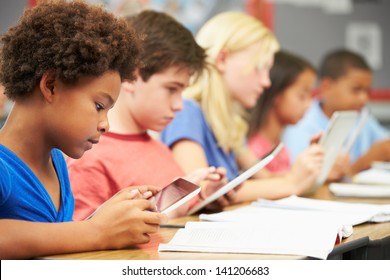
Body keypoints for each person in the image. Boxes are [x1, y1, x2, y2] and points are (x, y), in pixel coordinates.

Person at [0, 0, 167, 260]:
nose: (105, 124)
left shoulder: (55, 162)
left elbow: (52, 241)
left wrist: (106, 219)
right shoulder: (3, 168)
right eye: (99, 105)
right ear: (52, 85)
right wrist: (96, 231)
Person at [68, 10, 227, 221]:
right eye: (172, 89)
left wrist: (204, 195)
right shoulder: (89, 157)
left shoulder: (156, 148)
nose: (180, 105)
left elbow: (171, 210)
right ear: (133, 77)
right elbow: (86, 237)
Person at [161, 12, 324, 203]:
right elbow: (199, 192)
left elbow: (266, 179)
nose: (266, 82)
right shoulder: (187, 112)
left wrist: (306, 169)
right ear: (222, 60)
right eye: (259, 68)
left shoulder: (229, 123)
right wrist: (291, 183)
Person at [283, 49, 390, 175]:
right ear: (326, 87)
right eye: (356, 90)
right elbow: (301, 175)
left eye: (367, 92)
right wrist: (363, 162)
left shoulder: (361, 117)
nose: (364, 98)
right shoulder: (301, 121)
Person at [247, 50, 318, 174]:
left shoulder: (280, 147)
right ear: (276, 94)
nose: (309, 106)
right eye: (302, 96)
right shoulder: (253, 148)